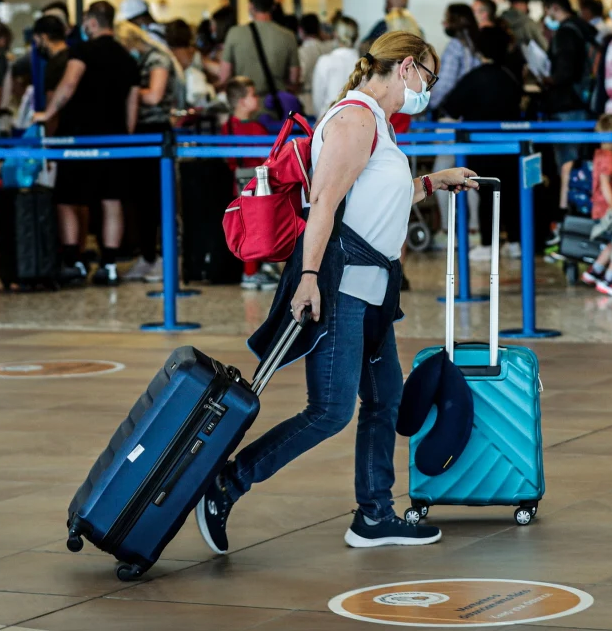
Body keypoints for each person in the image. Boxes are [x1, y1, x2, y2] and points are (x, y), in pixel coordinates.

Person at [196, 31, 479, 553]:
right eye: (429, 77)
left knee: (384, 400)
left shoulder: (380, 125)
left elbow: (377, 201)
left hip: (371, 290)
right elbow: (324, 204)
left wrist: (435, 182)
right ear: (407, 68)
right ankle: (225, 484)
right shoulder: (355, 119)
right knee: (329, 410)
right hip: (339, 285)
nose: (428, 90)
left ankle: (374, 514)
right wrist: (307, 280)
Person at [33, 0, 141, 287]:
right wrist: (127, 137)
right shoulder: (127, 57)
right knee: (111, 200)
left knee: (68, 198)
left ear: (91, 22)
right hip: (115, 137)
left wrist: (48, 113)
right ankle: (109, 264)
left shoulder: (81, 51)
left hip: (79, 134)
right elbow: (132, 103)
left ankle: (75, 262)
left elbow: (68, 85)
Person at [441, 26, 524, 261]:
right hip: (510, 146)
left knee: (485, 192)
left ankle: (488, 243)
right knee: (511, 194)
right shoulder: (510, 77)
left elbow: (450, 107)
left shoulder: (474, 77)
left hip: (479, 145)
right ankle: (515, 241)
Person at [115, 20, 185, 283]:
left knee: (158, 199)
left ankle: (165, 259)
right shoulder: (143, 59)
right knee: (143, 200)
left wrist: (128, 92)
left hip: (156, 130)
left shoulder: (157, 59)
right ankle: (148, 257)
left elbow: (155, 95)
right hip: (142, 131)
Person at [219, 77, 278, 291]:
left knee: (247, 227)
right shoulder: (255, 128)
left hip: (238, 182)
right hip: (258, 183)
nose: (257, 99)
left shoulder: (226, 126)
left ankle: (253, 270)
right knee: (258, 227)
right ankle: (251, 272)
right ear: (242, 101)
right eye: (253, 95)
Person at [539, 0, 598, 167]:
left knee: (568, 162)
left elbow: (565, 72)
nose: (546, 15)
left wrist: (547, 79)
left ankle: (570, 194)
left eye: (547, 10)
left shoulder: (565, 33)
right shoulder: (583, 27)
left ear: (554, 7)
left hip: (567, 103)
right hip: (584, 100)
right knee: (581, 158)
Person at [220, 0, 301, 106]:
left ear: (251, 6)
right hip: (276, 107)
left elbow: (224, 76)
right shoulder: (288, 36)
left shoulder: (234, 33)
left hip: (244, 107)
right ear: (273, 6)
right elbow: (294, 79)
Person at [581, 113, 612, 298]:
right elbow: (604, 181)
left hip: (600, 206)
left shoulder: (601, 155)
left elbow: (605, 172)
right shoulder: (610, 158)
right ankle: (609, 279)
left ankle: (594, 271)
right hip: (609, 207)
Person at [429, 3, 480, 112]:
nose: (444, 22)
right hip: (477, 106)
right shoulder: (476, 42)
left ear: (459, 20)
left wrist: (431, 104)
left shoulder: (455, 45)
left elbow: (445, 82)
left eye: (447, 18)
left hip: (456, 110)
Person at [312, 15, 362, 118]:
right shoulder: (364, 62)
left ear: (335, 34)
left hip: (328, 120)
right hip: (358, 120)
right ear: (356, 36)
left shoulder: (325, 61)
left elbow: (317, 99)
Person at [164, 18, 217, 106]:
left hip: (174, 103)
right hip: (197, 104)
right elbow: (217, 71)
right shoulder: (196, 54)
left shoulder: (166, 55)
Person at [297, 13, 328, 110]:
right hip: (326, 99)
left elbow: (300, 78)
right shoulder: (328, 48)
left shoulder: (301, 52)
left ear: (301, 30)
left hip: (306, 100)